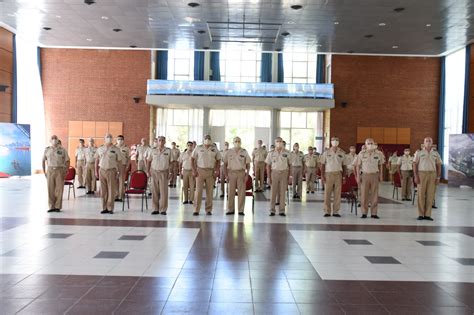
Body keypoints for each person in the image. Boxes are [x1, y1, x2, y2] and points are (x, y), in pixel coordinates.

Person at [413, 137, 441, 221]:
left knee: (430, 195)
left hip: (432, 174)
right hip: (422, 174)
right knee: (421, 194)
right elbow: (414, 164)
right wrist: (415, 175)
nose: (428, 142)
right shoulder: (419, 152)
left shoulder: (436, 153)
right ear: (423, 143)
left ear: (432, 143)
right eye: (426, 141)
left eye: (430, 141)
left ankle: (428, 215)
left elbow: (439, 165)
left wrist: (438, 177)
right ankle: (421, 214)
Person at [355, 138, 384, 219]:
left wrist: (381, 175)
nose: (370, 145)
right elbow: (358, 165)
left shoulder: (379, 154)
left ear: (374, 144)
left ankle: (374, 213)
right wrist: (357, 176)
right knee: (364, 194)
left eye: (371, 143)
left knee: (375, 195)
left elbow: (381, 165)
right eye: (368, 143)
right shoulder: (361, 153)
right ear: (365, 144)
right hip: (365, 175)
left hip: (375, 175)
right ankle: (364, 212)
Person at [192, 135, 221, 215]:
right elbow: (192, 158)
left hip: (210, 172)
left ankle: (208, 209)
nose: (207, 140)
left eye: (209, 138)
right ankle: (196, 209)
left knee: (210, 191)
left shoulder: (214, 149)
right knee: (198, 191)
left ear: (211, 140)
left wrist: (217, 170)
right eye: (206, 138)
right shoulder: (198, 148)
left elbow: (218, 160)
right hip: (200, 171)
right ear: (203, 139)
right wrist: (194, 170)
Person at [95, 134, 122, 214]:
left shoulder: (116, 149)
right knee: (103, 191)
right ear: (104, 139)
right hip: (102, 170)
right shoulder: (100, 148)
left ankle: (110, 208)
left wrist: (119, 172)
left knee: (111, 190)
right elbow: (96, 160)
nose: (109, 138)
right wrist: (96, 171)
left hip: (112, 170)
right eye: (107, 137)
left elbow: (119, 161)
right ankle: (104, 208)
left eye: (110, 137)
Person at [319, 137, 346, 217]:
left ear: (339, 142)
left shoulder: (342, 152)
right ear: (331, 142)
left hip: (338, 174)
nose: (335, 142)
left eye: (337, 140)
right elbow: (322, 165)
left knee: (337, 194)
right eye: (333, 140)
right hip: (329, 174)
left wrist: (344, 177)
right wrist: (322, 175)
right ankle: (327, 211)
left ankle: (335, 211)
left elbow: (344, 166)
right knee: (327, 193)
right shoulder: (326, 152)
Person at [42, 135, 70, 212]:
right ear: (50, 141)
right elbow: (43, 161)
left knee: (59, 189)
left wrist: (66, 171)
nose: (54, 140)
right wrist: (44, 171)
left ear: (58, 140)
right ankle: (51, 206)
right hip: (50, 170)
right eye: (52, 139)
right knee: (50, 189)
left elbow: (67, 161)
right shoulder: (47, 150)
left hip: (60, 170)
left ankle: (57, 206)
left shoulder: (62, 150)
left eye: (55, 138)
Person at [224, 137, 251, 215]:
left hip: (241, 173)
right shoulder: (229, 152)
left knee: (241, 192)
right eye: (235, 141)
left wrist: (247, 174)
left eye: (239, 141)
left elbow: (248, 164)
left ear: (241, 142)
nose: (237, 142)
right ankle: (230, 209)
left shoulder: (244, 152)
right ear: (233, 142)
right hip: (231, 173)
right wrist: (226, 175)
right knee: (230, 192)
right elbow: (225, 164)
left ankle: (241, 210)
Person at [265, 137, 291, 216]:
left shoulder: (287, 153)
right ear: (275, 142)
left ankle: (282, 210)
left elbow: (290, 165)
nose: (279, 143)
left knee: (282, 192)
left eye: (280, 141)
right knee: (273, 192)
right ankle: (272, 210)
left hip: (284, 173)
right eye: (277, 141)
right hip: (274, 173)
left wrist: (289, 176)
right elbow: (268, 165)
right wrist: (269, 177)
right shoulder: (271, 153)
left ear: (282, 142)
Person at [147, 136, 171, 215]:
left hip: (164, 172)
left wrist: (170, 173)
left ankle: (163, 209)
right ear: (157, 142)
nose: (161, 142)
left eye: (162, 140)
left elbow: (171, 163)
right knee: (154, 191)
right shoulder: (152, 150)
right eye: (159, 140)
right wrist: (148, 171)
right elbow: (149, 161)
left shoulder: (168, 151)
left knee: (164, 192)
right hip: (154, 172)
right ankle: (155, 209)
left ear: (165, 142)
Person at [115, 135, 130, 202]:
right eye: (118, 139)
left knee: (121, 181)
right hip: (115, 166)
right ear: (116, 140)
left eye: (121, 139)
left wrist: (127, 166)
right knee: (115, 181)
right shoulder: (114, 147)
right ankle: (116, 195)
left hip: (122, 166)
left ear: (123, 140)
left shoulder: (126, 148)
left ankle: (121, 196)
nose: (120, 141)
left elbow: (128, 158)